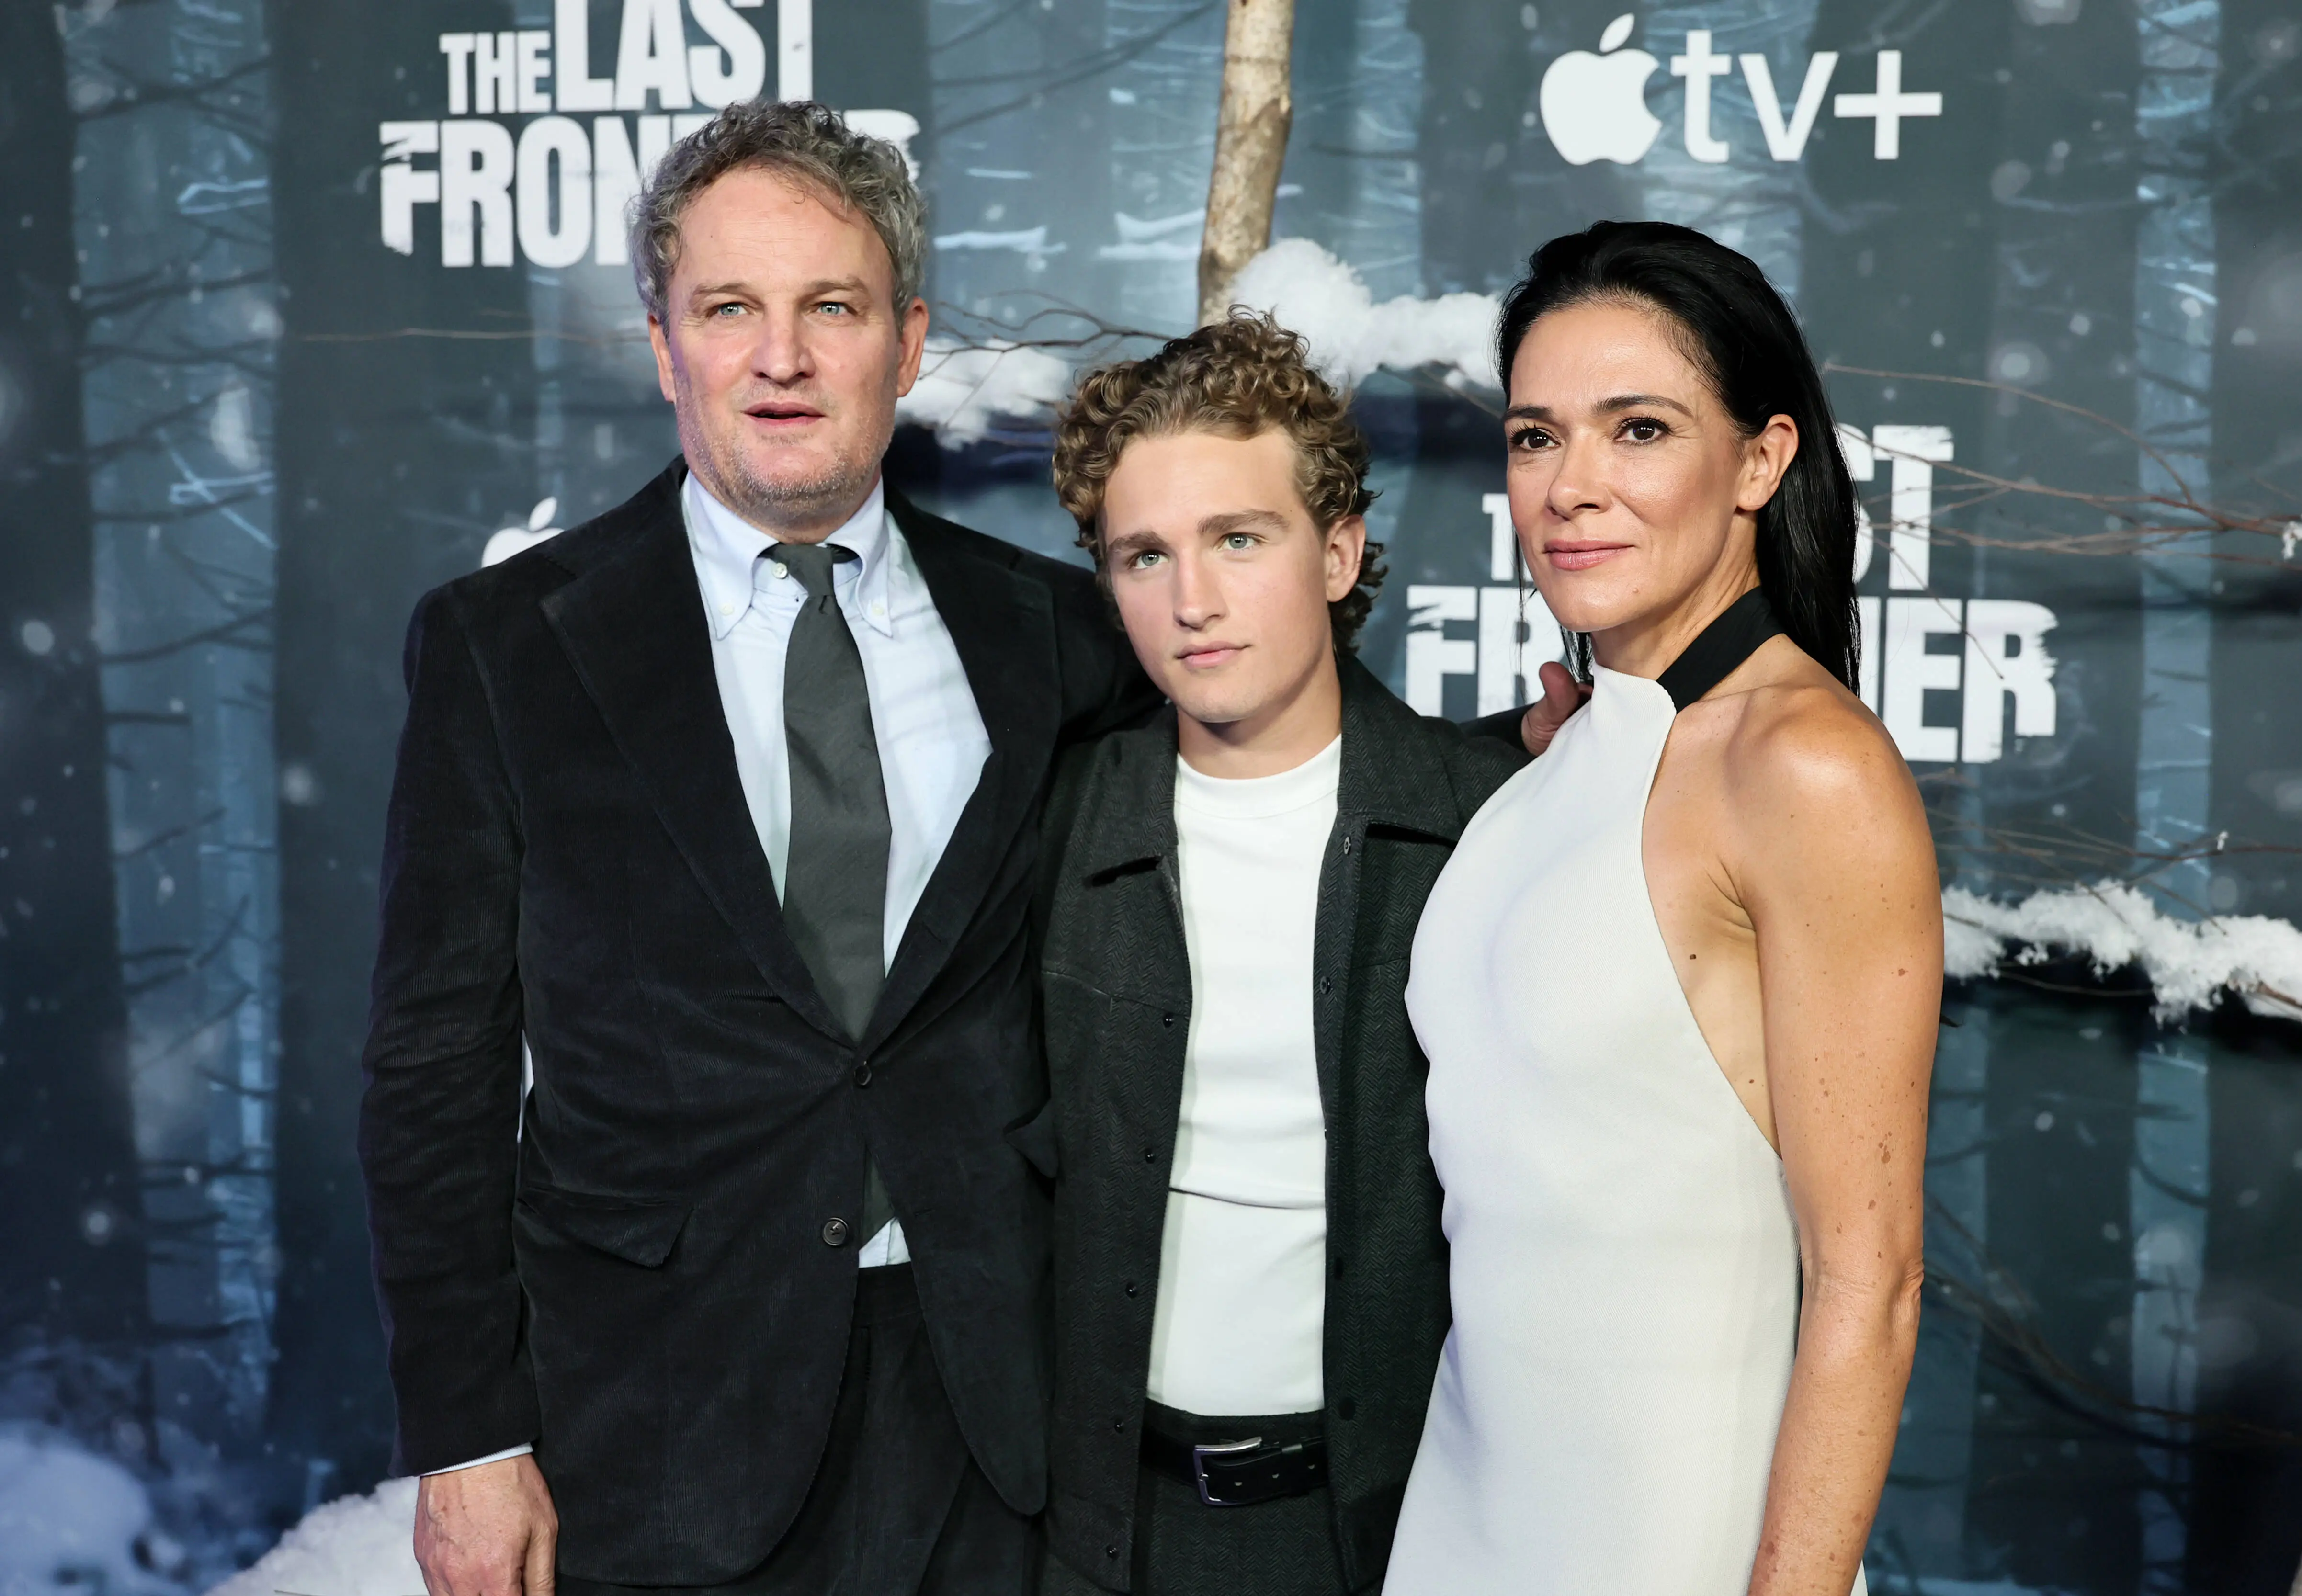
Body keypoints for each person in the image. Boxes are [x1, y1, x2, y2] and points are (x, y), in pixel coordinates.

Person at [357, 101, 1165, 1596]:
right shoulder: (506, 647)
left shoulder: (1056, 635)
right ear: (665, 347)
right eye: (730, 307)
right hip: (657, 1428)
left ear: (907, 344)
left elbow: (1266, 771)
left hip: (992, 1420)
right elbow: (433, 1071)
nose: (781, 356)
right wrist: (469, 1439)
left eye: (832, 308)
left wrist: (1523, 749)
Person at [1383, 221, 1939, 1596]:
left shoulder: (1804, 765)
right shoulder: (1587, 745)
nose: (1571, 487)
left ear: (1760, 460)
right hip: (1467, 1516)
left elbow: (1869, 1284)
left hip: (1668, 1542)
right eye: (1535, 438)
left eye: (1638, 430)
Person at [1030, 316, 1524, 1596]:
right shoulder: (1052, 819)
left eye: (1239, 539)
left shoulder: (1486, 825)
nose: (1191, 600)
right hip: (1102, 1528)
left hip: (1387, 1530)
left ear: (1338, 552)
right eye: (1145, 554)